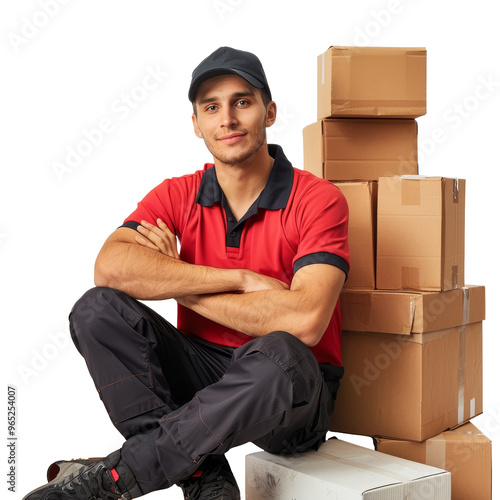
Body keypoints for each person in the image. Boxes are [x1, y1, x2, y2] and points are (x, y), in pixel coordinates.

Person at [23, 46, 349, 500]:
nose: (227, 119)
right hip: (203, 365)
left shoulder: (318, 199)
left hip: (293, 398)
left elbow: (305, 319)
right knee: (97, 310)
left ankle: (113, 478)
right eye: (211, 107)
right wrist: (237, 278)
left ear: (269, 112)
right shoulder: (178, 194)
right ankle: (202, 475)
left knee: (281, 351)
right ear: (196, 124)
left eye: (242, 102)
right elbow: (110, 268)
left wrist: (176, 279)